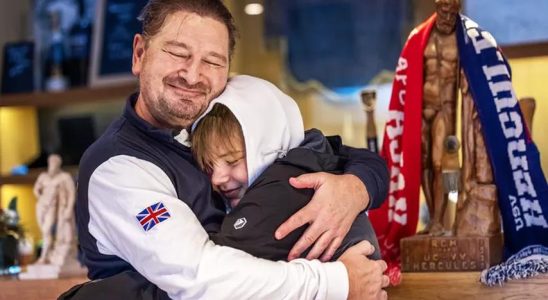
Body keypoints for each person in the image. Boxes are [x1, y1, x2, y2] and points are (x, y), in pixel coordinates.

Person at [73, 0, 389, 299]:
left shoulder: (219, 120)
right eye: (177, 52)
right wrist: (338, 282)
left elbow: (334, 151)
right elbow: (201, 277)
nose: (193, 74)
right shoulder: (118, 167)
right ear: (139, 54)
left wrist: (355, 187)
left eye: (212, 61)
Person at [192, 75, 382, 261]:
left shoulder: (282, 189)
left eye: (233, 161)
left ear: (268, 142)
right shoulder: (313, 158)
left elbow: (211, 264)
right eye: (208, 167)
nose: (217, 178)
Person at [33, 154, 76, 265]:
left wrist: (68, 208)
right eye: (51, 162)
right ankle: (48, 255)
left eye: (55, 162)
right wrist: (40, 196)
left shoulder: (64, 177)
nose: (52, 164)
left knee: (46, 231)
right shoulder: (43, 176)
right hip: (41, 206)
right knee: (44, 231)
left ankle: (43, 256)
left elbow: (72, 193)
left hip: (54, 208)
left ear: (58, 164)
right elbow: (36, 189)